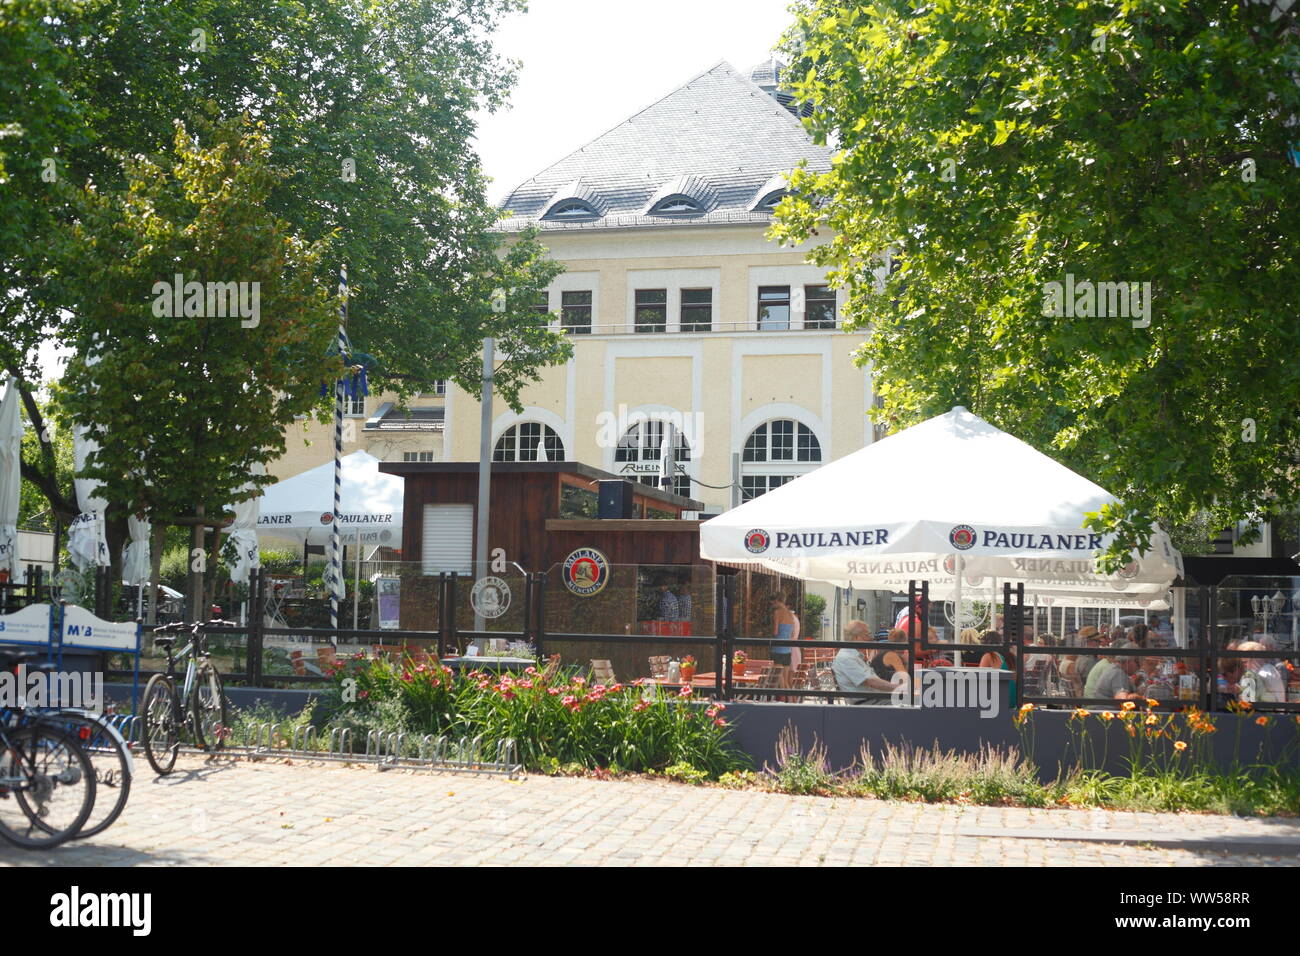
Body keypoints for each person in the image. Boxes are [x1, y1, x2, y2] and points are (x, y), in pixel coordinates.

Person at [832, 621, 898, 703]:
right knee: (908, 705)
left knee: (908, 702)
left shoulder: (852, 656)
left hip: (874, 700)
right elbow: (871, 682)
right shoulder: (846, 658)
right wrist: (898, 688)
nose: (870, 638)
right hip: (868, 704)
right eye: (867, 635)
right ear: (856, 638)